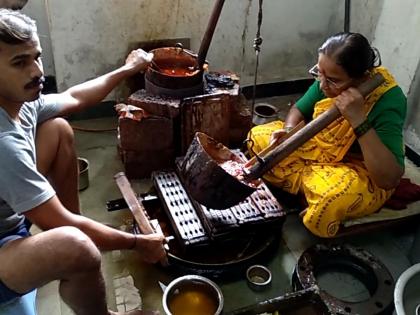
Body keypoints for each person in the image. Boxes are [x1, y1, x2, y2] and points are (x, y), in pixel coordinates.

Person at [0, 9, 166, 315]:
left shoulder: (19, 103)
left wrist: (128, 69)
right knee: (79, 249)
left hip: (11, 219)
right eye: (19, 63)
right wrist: (137, 242)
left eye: (36, 57)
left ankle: (72, 222)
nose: (37, 71)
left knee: (58, 129)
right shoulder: (4, 144)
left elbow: (76, 97)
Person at [248, 32, 407, 238]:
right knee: (258, 136)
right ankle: (308, 188)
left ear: (362, 78)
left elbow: (389, 178)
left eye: (332, 80)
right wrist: (288, 132)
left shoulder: (388, 100)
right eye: (319, 73)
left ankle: (309, 190)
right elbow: (299, 110)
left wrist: (358, 119)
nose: (323, 85)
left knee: (331, 199)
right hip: (319, 146)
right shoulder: (329, 76)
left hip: (357, 166)